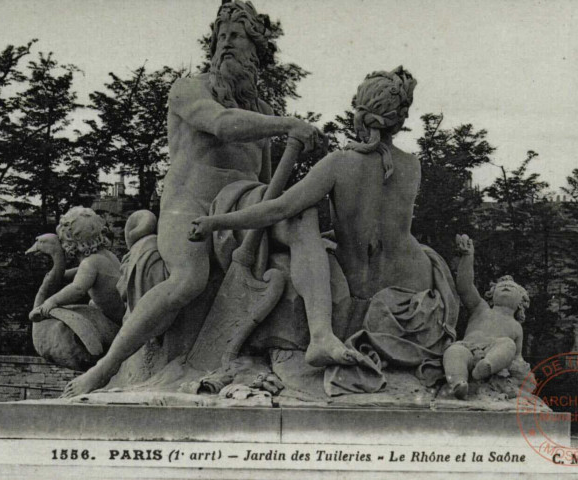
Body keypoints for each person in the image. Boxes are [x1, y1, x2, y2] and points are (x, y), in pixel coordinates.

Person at [63, 1, 347, 398]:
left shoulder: (260, 112)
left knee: (301, 217)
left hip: (240, 207)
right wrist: (288, 124)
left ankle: (321, 337)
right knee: (187, 280)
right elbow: (221, 125)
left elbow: (267, 182)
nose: (226, 45)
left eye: (238, 38)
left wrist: (304, 235)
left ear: (256, 53)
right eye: (221, 38)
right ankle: (105, 368)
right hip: (189, 207)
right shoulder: (190, 89)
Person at [191, 67, 460, 395]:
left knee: (303, 236)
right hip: (411, 286)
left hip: (359, 283)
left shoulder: (340, 162)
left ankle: (317, 339)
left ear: (358, 112)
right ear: (399, 118)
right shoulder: (412, 165)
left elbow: (278, 208)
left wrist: (216, 222)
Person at [442, 234, 527, 400]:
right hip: (467, 347)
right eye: (502, 286)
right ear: (491, 294)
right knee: (454, 352)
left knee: (508, 345)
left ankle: (486, 367)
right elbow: (465, 287)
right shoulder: (480, 308)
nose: (506, 287)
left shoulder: (516, 326)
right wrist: (467, 256)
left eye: (511, 287)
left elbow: (517, 357)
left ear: (521, 301)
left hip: (493, 354)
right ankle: (458, 383)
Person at [29, 206, 124, 323]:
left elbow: (77, 289)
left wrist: (52, 301)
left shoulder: (89, 263)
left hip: (115, 318)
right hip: (121, 309)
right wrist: (62, 274)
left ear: (71, 241)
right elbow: (87, 273)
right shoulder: (106, 255)